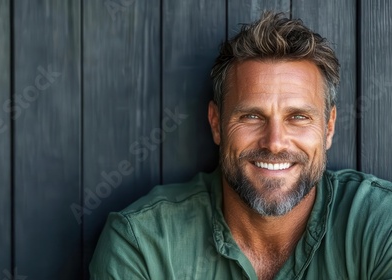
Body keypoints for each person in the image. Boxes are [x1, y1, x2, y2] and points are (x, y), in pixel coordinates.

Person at [89, 12, 392, 280]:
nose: (274, 143)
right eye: (251, 116)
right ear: (216, 123)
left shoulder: (381, 224)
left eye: (298, 117)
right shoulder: (143, 244)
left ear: (328, 127)